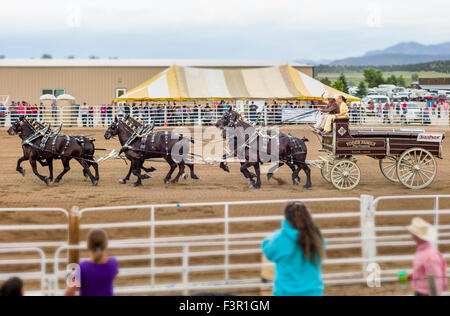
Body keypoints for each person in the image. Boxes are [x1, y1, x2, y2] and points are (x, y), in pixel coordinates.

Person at [262, 202, 326, 296]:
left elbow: (268, 252)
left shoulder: (280, 238)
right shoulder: (316, 237)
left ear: (287, 218)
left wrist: (270, 238)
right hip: (313, 292)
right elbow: (323, 246)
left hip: (286, 293)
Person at [65, 230, 119, 296]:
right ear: (105, 245)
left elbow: (69, 292)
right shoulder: (113, 263)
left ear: (88, 246)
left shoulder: (83, 267)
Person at [407, 218, 447, 296]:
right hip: (422, 291)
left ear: (416, 236)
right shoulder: (423, 251)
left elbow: (436, 279)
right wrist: (411, 275)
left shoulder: (429, 255)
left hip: (427, 293)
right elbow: (423, 270)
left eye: (413, 233)